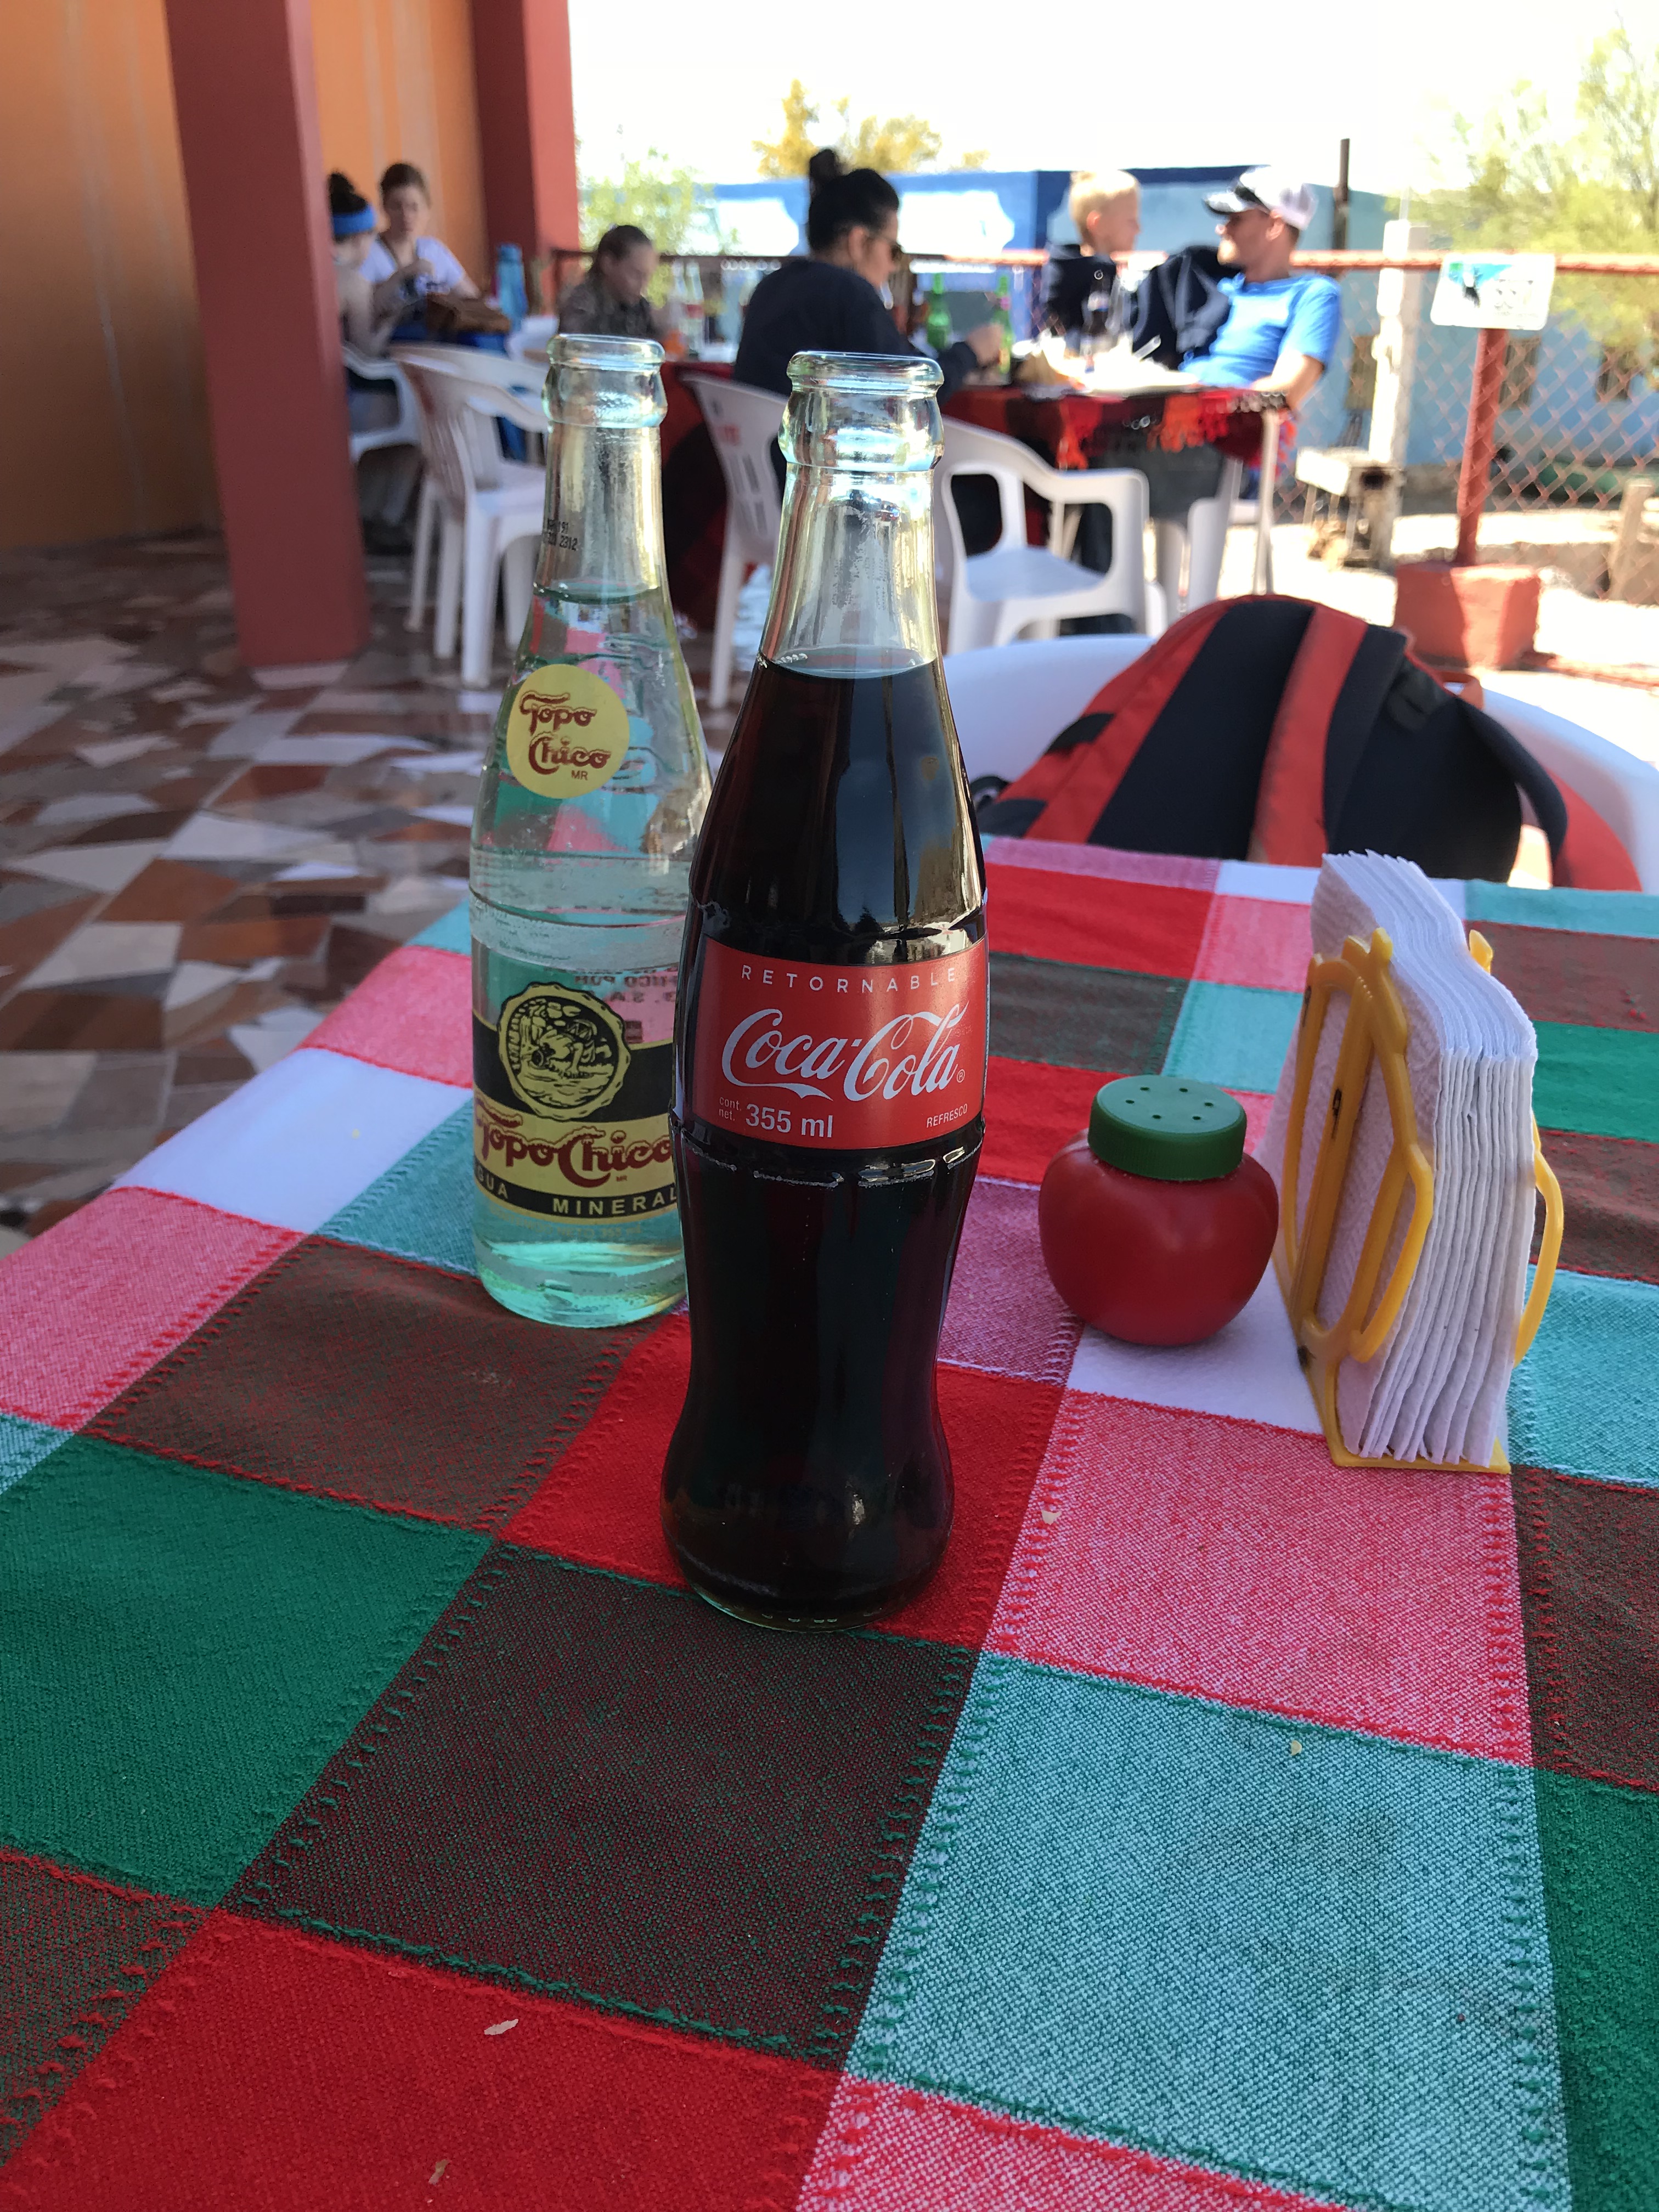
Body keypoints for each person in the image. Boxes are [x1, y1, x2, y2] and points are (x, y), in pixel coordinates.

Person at [735, 161, 1001, 409]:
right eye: (893, 250)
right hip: (815, 444)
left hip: (760, 441)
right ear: (859, 242)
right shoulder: (848, 293)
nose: (894, 266)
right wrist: (972, 351)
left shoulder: (770, 287)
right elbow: (914, 392)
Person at [1182, 168, 1341, 410]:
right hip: (1168, 420)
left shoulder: (1312, 295)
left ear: (1275, 225)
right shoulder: (1209, 287)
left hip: (1232, 428)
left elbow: (1285, 391)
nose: (1222, 229)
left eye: (1236, 219)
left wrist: (1198, 406)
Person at [328, 173, 420, 549]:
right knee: (422, 415)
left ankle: (370, 513)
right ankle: (388, 519)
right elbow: (368, 352)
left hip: (310, 397)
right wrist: (392, 321)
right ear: (361, 238)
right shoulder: (351, 281)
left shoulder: (313, 273)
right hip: (343, 401)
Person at [359, 161, 477, 313]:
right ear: (384, 207)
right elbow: (362, 312)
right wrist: (401, 276)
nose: (406, 216)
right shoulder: (368, 253)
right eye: (396, 206)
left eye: (414, 207)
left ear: (427, 209)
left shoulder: (434, 250)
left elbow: (472, 298)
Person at [1042, 170, 1140, 340]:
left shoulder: (1129, 273)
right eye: (1131, 221)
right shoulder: (1067, 276)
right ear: (1099, 225)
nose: (1139, 230)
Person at [556, 225, 661, 339]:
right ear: (608, 264)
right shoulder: (581, 304)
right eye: (635, 274)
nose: (643, 285)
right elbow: (580, 345)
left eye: (647, 276)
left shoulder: (639, 306)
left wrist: (662, 329)